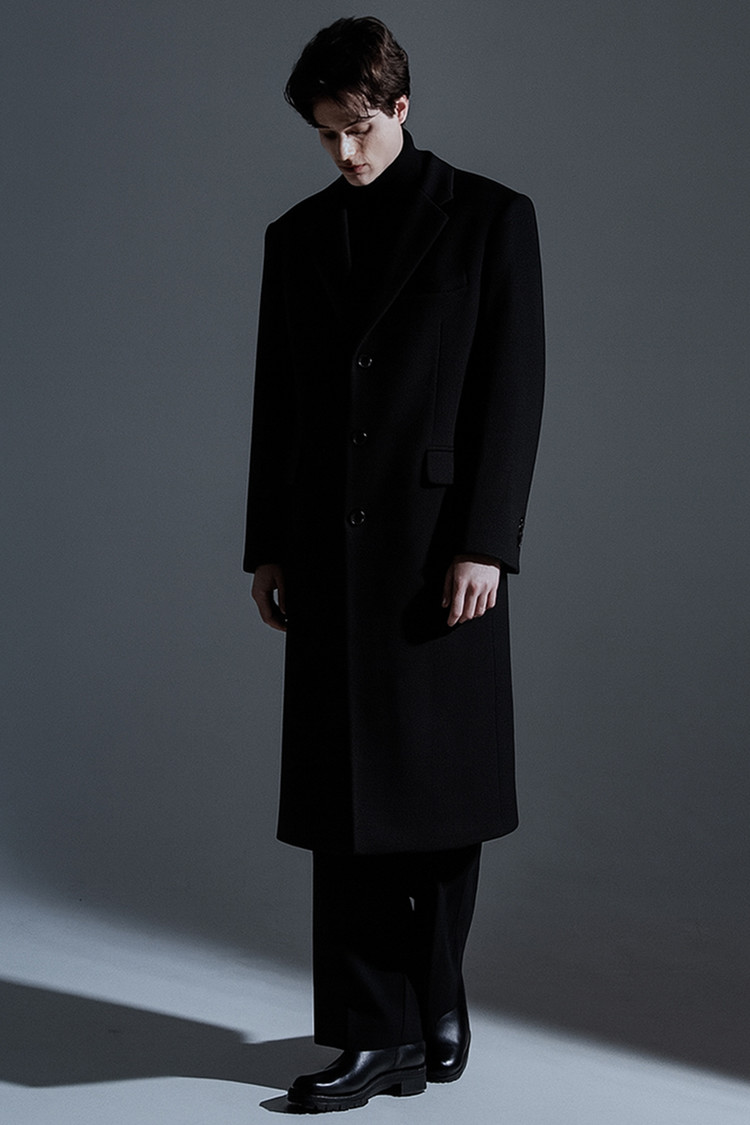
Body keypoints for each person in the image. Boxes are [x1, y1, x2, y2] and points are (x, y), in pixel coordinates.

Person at [244, 16, 544, 1113]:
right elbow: (278, 400)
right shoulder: (296, 236)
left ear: (400, 108)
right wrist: (267, 545)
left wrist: (486, 542)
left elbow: (513, 391)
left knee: (442, 794)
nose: (343, 153)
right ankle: (374, 1034)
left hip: (437, 551)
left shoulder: (490, 218)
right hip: (329, 550)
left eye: (357, 129)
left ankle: (435, 987)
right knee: (347, 803)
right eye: (325, 135)